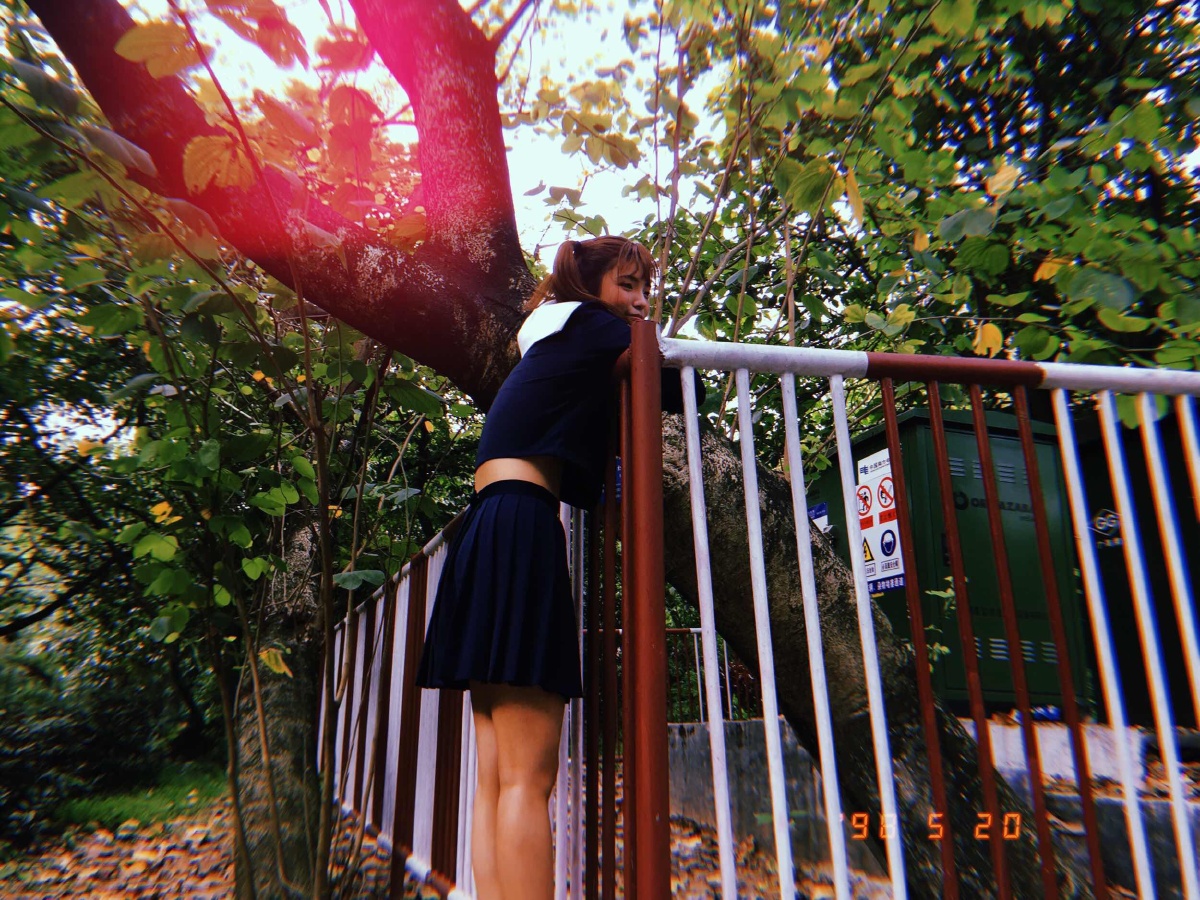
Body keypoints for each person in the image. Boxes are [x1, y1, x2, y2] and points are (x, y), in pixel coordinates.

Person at [415, 235, 693, 900]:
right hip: (520, 526)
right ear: (590, 285)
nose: (640, 301)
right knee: (527, 779)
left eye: (645, 288)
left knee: (496, 777)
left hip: (488, 524)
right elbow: (677, 384)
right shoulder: (594, 326)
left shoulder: (552, 338)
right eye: (628, 284)